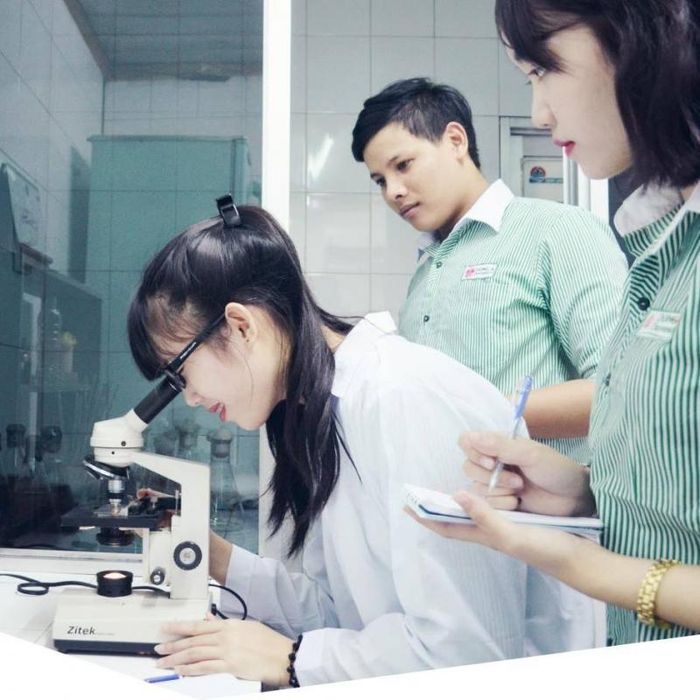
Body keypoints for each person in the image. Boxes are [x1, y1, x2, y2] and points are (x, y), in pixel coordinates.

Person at [127, 203, 595, 687]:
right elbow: (338, 611)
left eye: (180, 371)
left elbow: (467, 654)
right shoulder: (326, 410)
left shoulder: (404, 397)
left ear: (242, 326)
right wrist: (215, 556)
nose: (191, 397)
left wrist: (291, 660)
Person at [410, 0, 700, 642]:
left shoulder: (556, 232)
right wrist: (580, 493)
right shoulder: (662, 245)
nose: (539, 113)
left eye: (542, 70)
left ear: (638, 35)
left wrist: (582, 564)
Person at [352, 78, 628, 464]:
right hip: (441, 497)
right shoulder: (427, 268)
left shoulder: (557, 230)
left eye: (403, 165)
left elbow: (619, 389)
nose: (393, 191)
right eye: (380, 180)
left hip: (541, 498)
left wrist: (476, 410)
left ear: (455, 141)